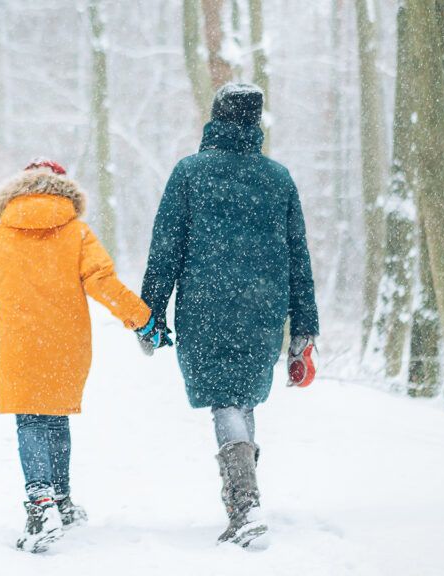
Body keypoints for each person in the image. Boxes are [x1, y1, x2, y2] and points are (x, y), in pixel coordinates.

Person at [139, 83, 320, 548]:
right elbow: (299, 258)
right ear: (255, 123)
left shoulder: (190, 173)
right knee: (241, 398)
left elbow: (166, 249)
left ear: (216, 117)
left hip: (206, 303)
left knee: (225, 399)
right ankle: (245, 498)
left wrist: (151, 311)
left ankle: (244, 507)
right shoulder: (278, 178)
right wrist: (303, 328)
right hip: (264, 307)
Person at [0, 159, 158, 553]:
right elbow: (102, 282)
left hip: (20, 341)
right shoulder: (77, 232)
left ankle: (42, 506)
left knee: (30, 419)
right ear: (62, 189)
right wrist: (142, 320)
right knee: (54, 418)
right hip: (66, 342)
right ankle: (62, 502)